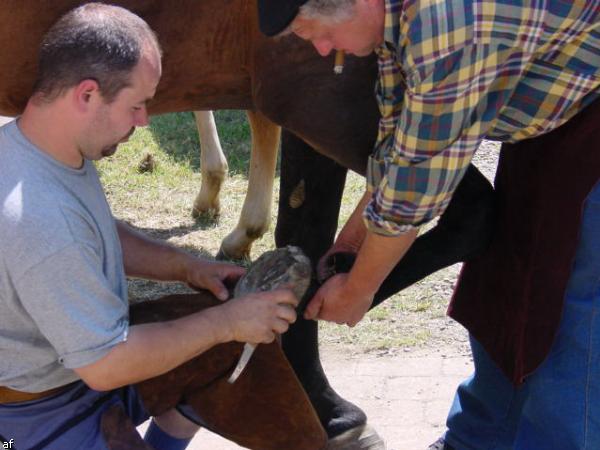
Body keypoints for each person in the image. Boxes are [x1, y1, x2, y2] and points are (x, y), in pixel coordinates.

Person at [257, 0, 600, 448]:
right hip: (555, 125)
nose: (323, 49)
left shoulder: (444, 24)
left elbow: (414, 195)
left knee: (572, 311)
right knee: (511, 291)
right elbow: (401, 133)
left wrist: (359, 290)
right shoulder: (398, 17)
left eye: (315, 31)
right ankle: (477, 440)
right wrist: (356, 235)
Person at [0, 4, 307, 450]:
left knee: (225, 344)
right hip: (41, 410)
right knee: (224, 330)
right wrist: (226, 322)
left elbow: (99, 232)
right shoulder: (41, 220)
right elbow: (106, 365)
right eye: (137, 105)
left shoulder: (38, 151)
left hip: (75, 367)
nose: (144, 121)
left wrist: (187, 267)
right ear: (86, 95)